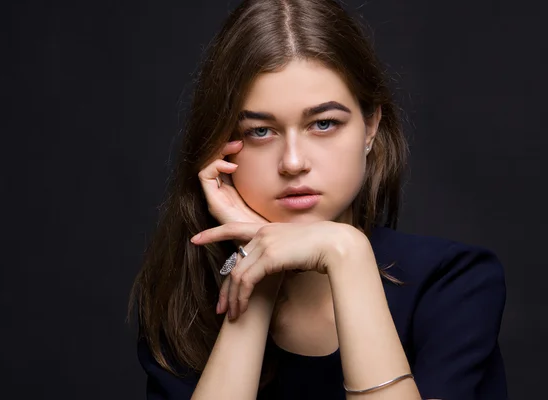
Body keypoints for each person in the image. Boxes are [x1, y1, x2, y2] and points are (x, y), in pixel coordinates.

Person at [128, 0, 508, 398]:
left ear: (370, 127)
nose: (293, 162)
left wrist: (347, 253)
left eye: (323, 124)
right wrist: (259, 279)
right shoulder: (183, 305)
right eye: (260, 131)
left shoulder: (454, 285)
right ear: (220, 147)